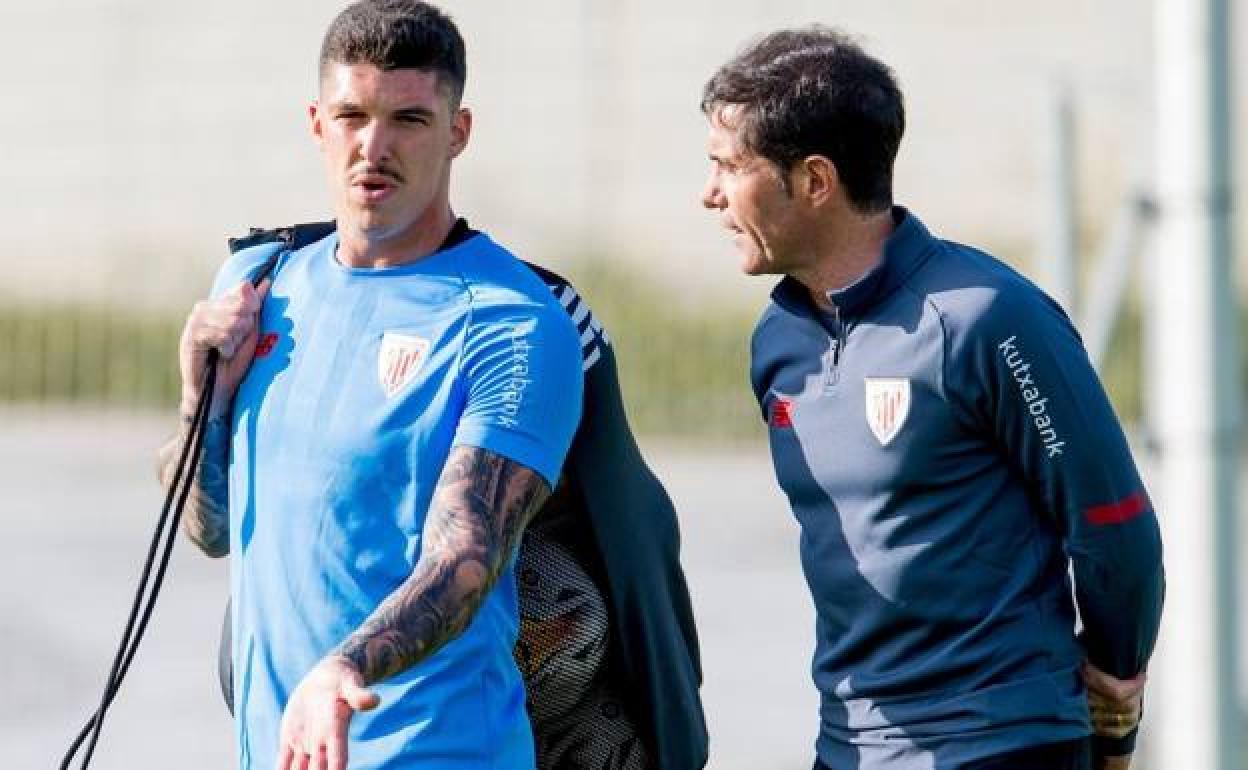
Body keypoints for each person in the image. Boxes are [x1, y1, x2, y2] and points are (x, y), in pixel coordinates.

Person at [699, 26, 1164, 770]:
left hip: (1002, 740)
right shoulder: (777, 340)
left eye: (729, 166)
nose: (711, 195)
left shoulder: (986, 316)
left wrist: (1115, 688)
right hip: (850, 745)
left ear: (815, 181)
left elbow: (1114, 524)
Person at [157, 2, 587, 768]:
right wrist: (202, 404)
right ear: (316, 123)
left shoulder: (511, 322)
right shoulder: (259, 285)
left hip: (439, 752)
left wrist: (344, 668)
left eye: (409, 120)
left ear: (457, 132)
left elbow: (466, 556)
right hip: (285, 750)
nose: (374, 147)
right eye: (351, 115)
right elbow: (209, 532)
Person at [211, 225, 710, 770]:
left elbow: (622, 519)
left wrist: (668, 712)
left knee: (565, 610)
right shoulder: (273, 284)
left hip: (512, 675)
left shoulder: (529, 312)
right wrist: (201, 397)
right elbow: (218, 529)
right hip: (319, 701)